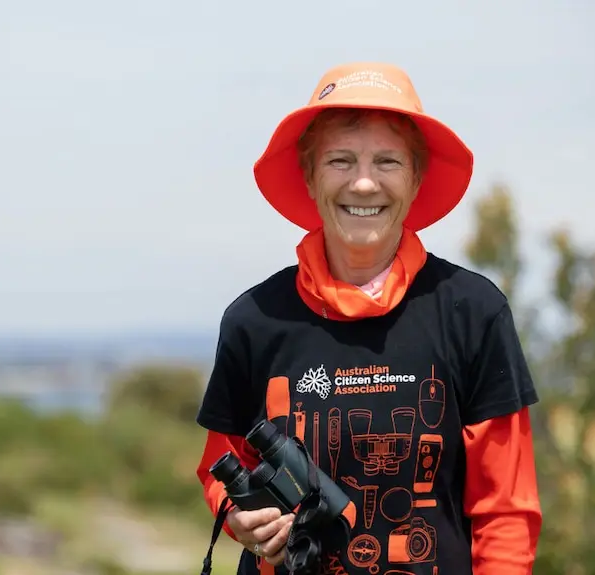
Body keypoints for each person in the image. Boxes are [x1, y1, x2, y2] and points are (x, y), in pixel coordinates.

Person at [195, 61, 542, 575]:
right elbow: (221, 470)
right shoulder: (255, 319)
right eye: (339, 160)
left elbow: (506, 510)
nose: (363, 183)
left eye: (387, 161)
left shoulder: (472, 311)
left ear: (416, 177)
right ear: (309, 177)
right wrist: (239, 520)